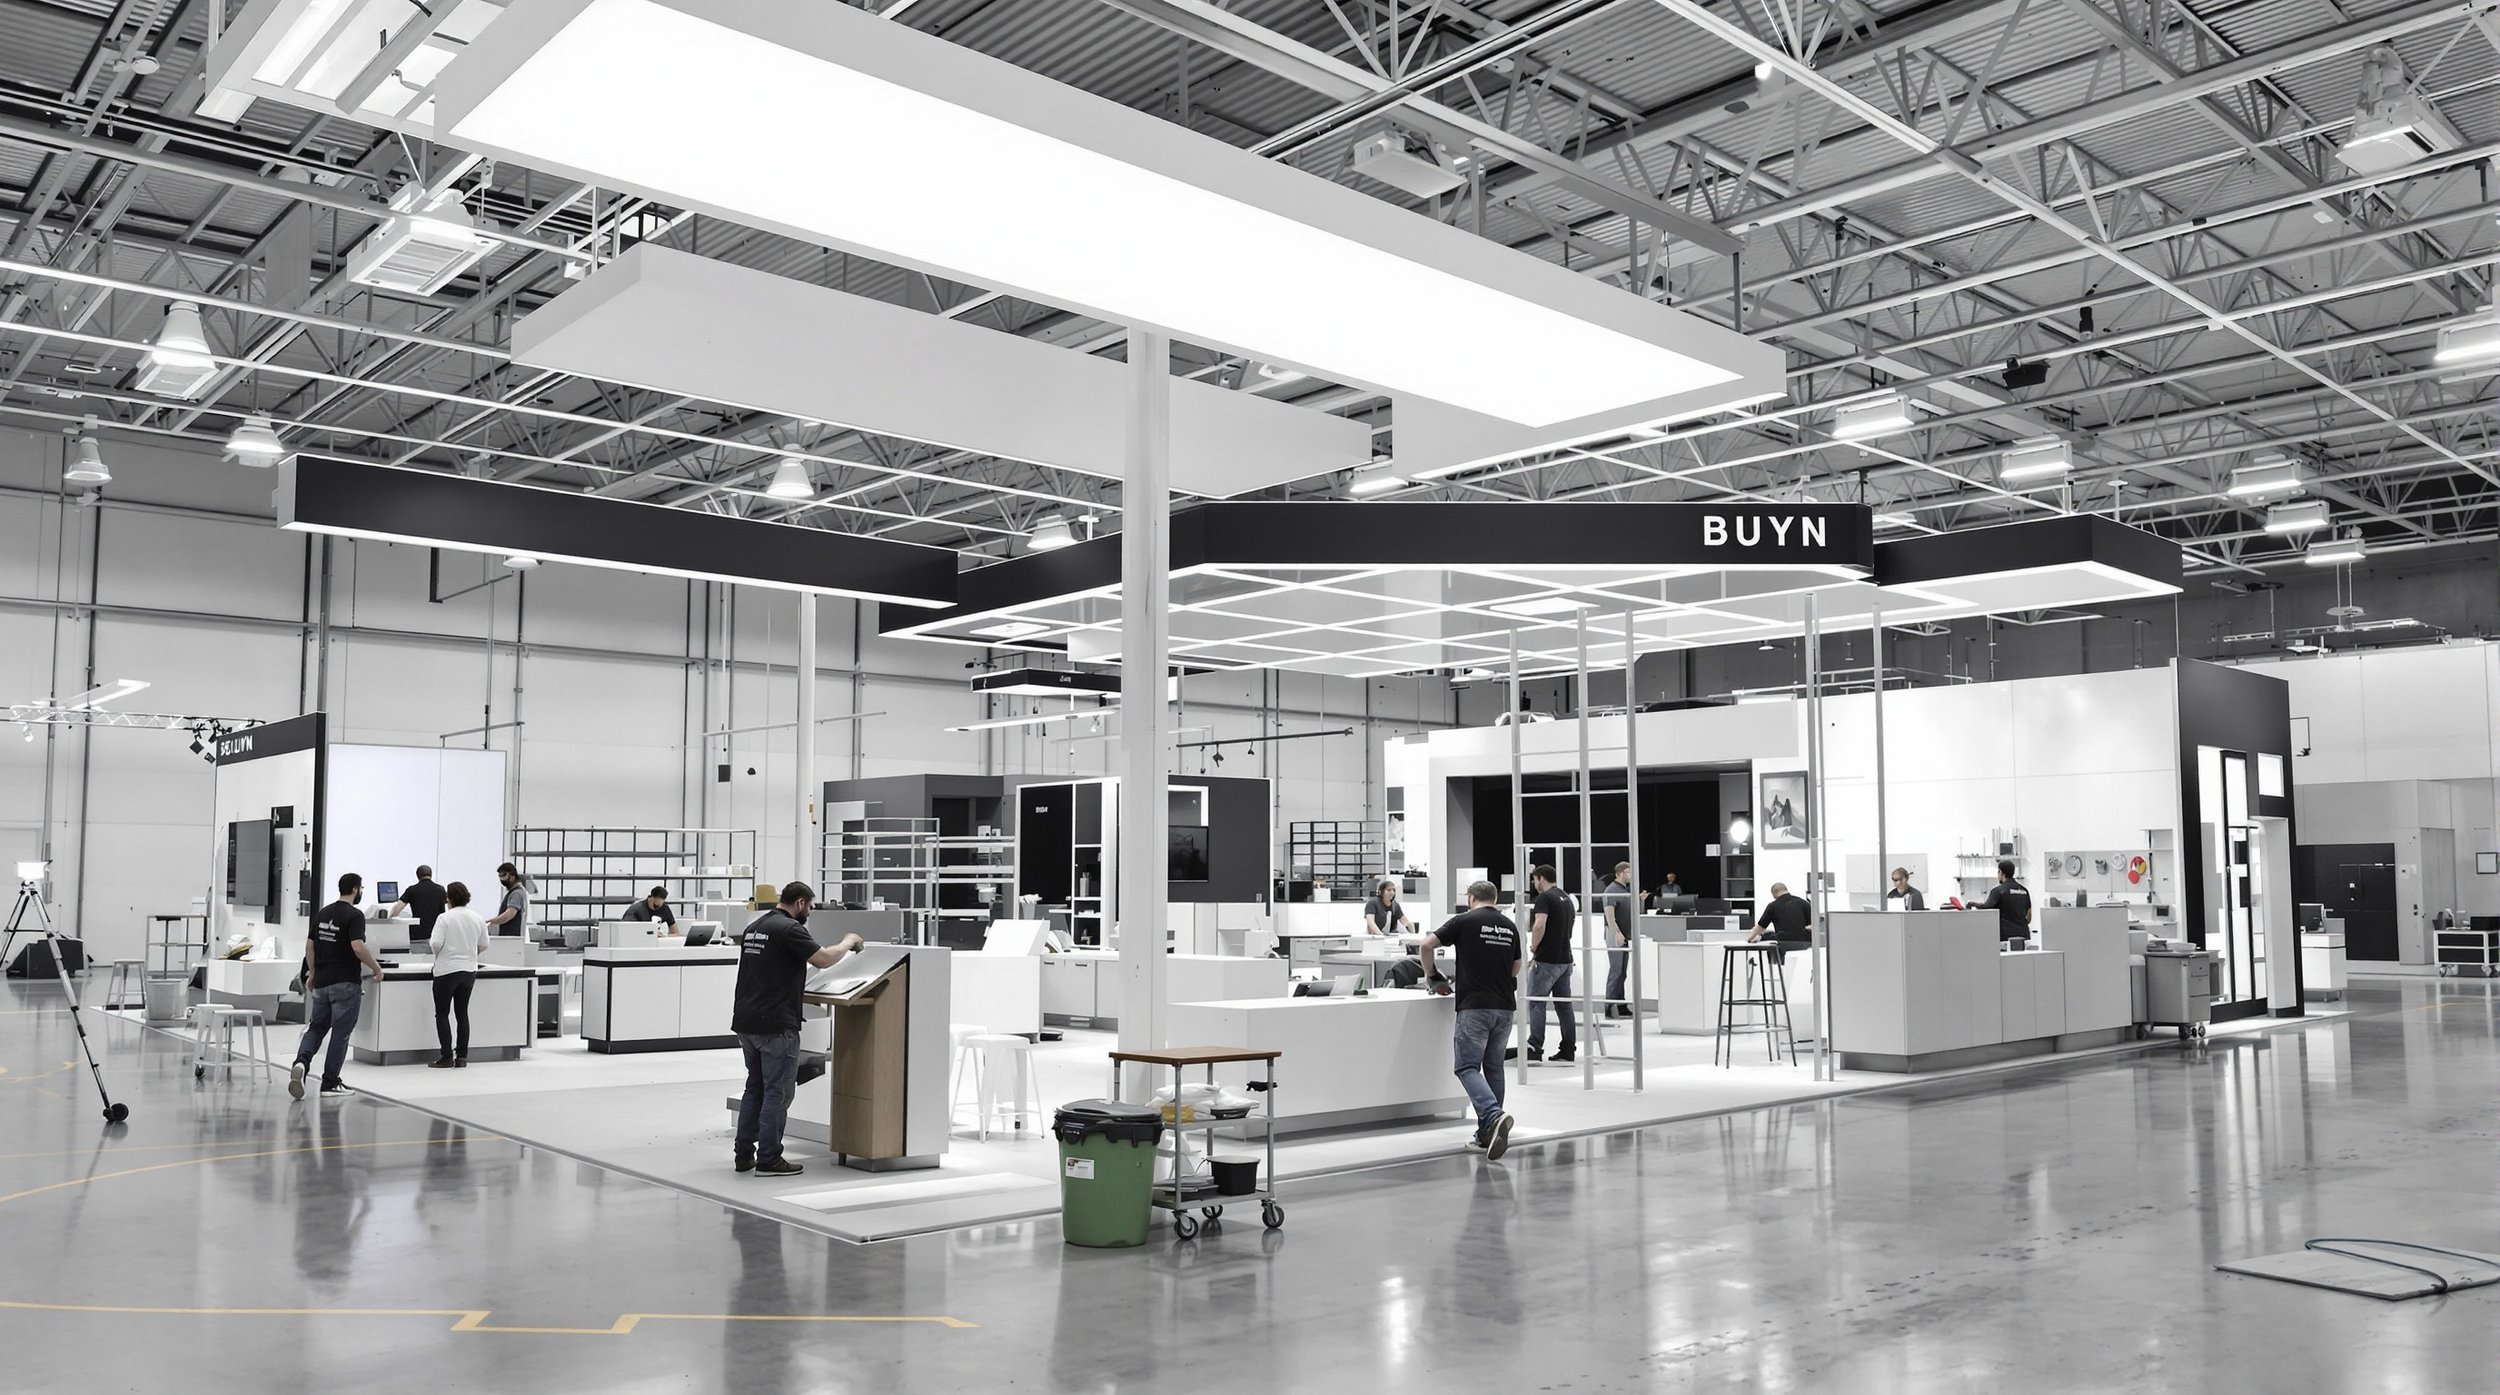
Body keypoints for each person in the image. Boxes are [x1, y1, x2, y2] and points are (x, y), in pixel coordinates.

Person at [730, 881, 864, 1177]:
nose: (809, 913)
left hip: (747, 1021)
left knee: (755, 1087)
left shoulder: (757, 926)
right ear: (801, 903)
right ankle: (769, 1159)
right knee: (778, 1092)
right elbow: (824, 959)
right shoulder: (790, 929)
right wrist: (847, 941)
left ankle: (743, 1154)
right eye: (810, 907)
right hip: (776, 1024)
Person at [1419, 880, 1522, 1160]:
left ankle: (1492, 1115)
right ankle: (1486, 1133)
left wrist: (1432, 975)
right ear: (1495, 898)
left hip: (1475, 1006)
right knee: (1494, 1068)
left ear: (1471, 897)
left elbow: (1426, 945)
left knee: (1466, 1066)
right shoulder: (1509, 926)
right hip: (1504, 1007)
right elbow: (1516, 967)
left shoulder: (1464, 921)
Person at [289, 873, 381, 1101]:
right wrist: (376, 968)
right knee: (340, 1034)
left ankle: (301, 1062)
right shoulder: (355, 915)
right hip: (345, 983)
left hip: (322, 982)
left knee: (316, 1027)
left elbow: (309, 946)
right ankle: (330, 1082)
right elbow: (358, 947)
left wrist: (312, 972)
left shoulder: (323, 913)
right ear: (356, 889)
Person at [428, 881, 491, 1069]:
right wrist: (470, 954)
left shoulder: (444, 918)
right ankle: (462, 1057)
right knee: (462, 1013)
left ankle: (446, 1056)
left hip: (446, 970)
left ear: (450, 898)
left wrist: (443, 954)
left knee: (442, 1013)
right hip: (469, 970)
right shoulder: (477, 918)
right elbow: (484, 944)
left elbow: (435, 943)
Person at [1522, 864, 1575, 1064]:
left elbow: (1539, 924)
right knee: (1564, 1006)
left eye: (1534, 880)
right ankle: (1568, 1049)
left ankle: (1535, 1047)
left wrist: (1534, 946)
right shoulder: (1566, 898)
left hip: (1546, 960)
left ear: (1541, 878)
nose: (1534, 884)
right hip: (1565, 959)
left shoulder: (1544, 898)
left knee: (1536, 1003)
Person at [1602, 862, 1638, 1019]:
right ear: (1620, 873)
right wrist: (1616, 932)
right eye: (1628, 872)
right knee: (1616, 970)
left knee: (1622, 971)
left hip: (1623, 934)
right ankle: (1609, 1005)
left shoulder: (1625, 890)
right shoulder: (1610, 891)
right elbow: (1610, 916)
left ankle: (1621, 1003)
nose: (1630, 875)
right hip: (1614, 934)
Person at [386, 866, 448, 945]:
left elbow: (398, 908)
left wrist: (389, 919)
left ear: (417, 876)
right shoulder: (440, 889)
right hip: (437, 934)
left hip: (418, 935)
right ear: (431, 874)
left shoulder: (412, 890)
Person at [1974, 859, 2033, 942]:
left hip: (2006, 938)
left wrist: (1972, 904)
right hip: (2024, 936)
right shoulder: (2024, 890)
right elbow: (2029, 917)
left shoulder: (1998, 891)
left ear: (2001, 872)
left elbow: (1985, 908)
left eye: (1998, 872)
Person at [1749, 881, 1813, 954]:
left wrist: (1750, 939)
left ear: (1773, 893)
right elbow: (1813, 925)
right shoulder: (1804, 903)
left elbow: (1760, 927)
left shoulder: (1773, 906)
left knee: (1767, 937)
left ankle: (1775, 964)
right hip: (1804, 943)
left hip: (1784, 944)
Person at [489, 862, 529, 939]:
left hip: (513, 938)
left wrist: (490, 921)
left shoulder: (517, 893)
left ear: (512, 876)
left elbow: (509, 915)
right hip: (509, 937)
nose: (501, 879)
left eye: (504, 875)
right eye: (500, 876)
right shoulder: (512, 892)